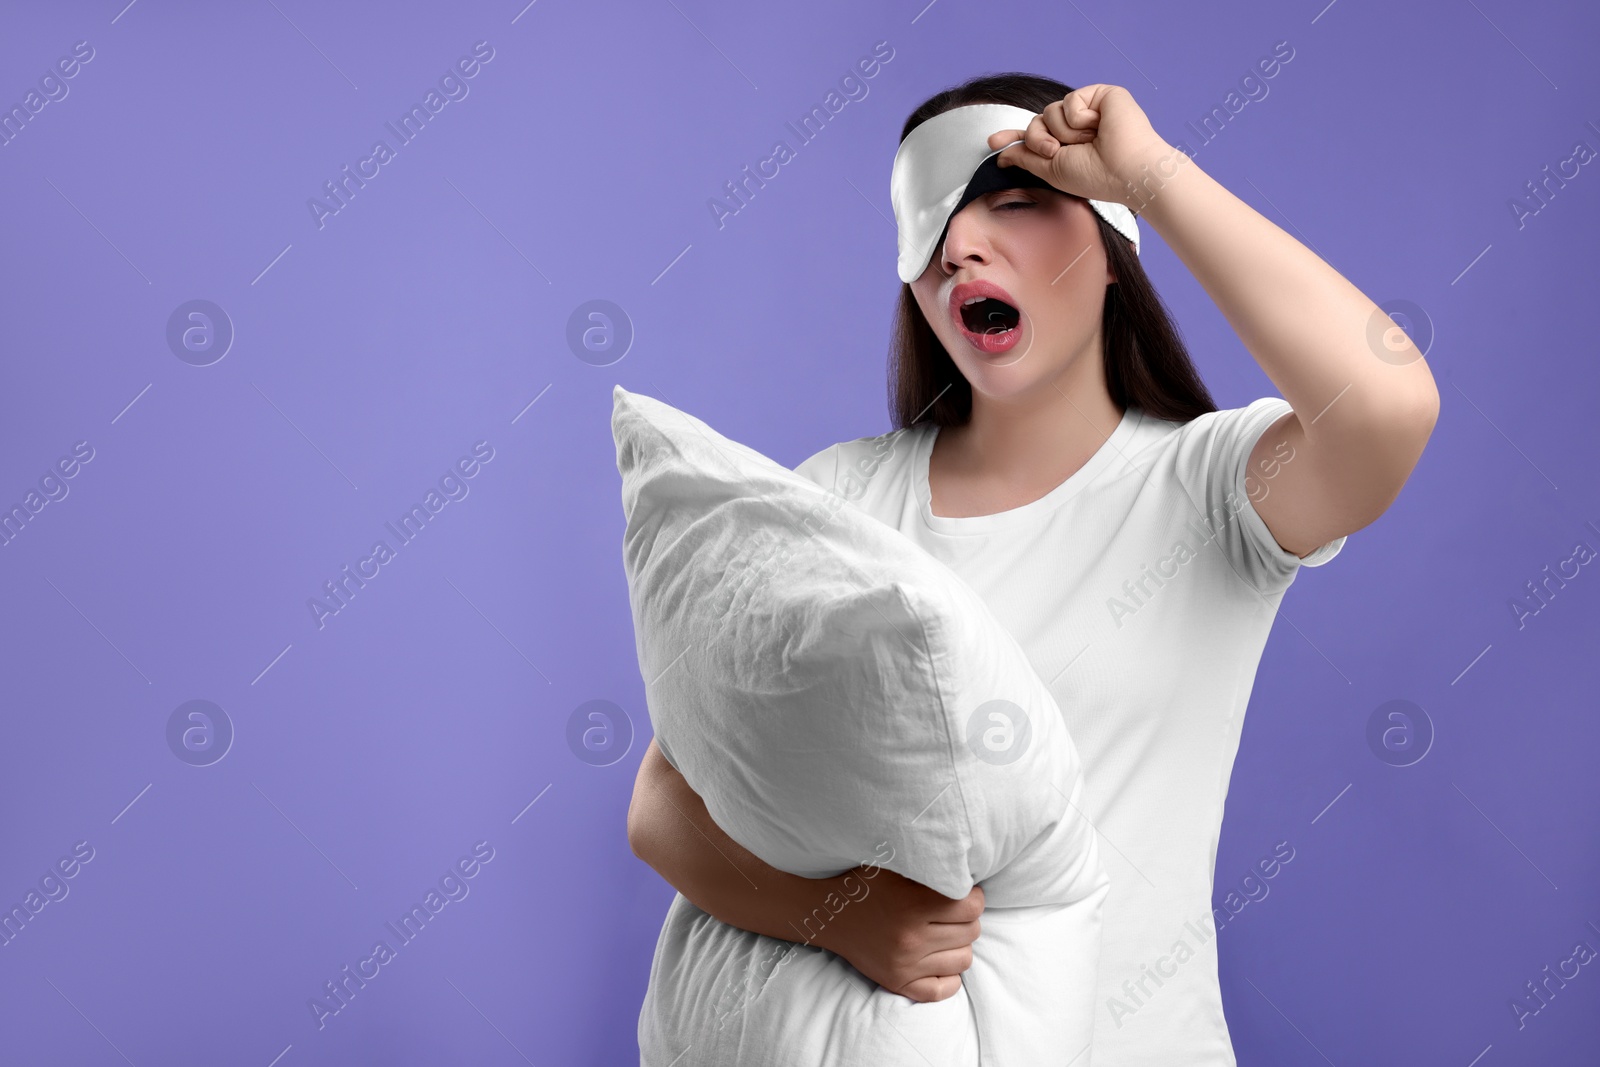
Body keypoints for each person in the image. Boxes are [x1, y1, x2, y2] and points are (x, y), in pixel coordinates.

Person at [628, 72, 1438, 1064]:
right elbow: (666, 795)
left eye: (1015, 202)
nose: (964, 244)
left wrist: (1149, 175)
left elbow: (1387, 406)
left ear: (1110, 253)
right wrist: (833, 916)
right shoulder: (835, 499)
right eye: (933, 227)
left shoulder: (1206, 487)